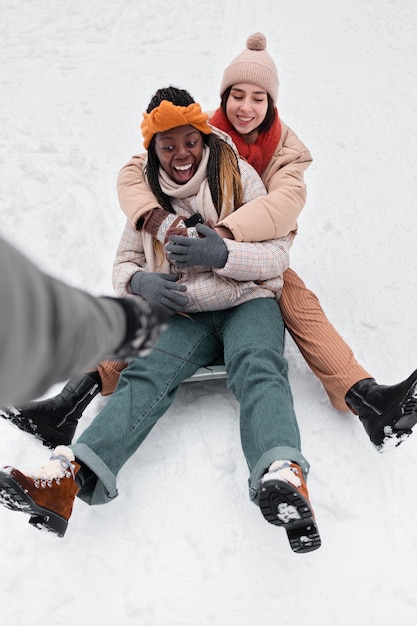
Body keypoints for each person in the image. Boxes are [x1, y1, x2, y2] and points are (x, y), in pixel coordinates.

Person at [2, 33, 417, 452]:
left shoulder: (288, 152)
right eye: (237, 95)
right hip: (189, 268)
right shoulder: (199, 131)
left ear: (272, 103)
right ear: (223, 97)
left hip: (253, 256)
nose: (246, 107)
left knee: (293, 295)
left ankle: (366, 398)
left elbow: (284, 205)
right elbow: (137, 170)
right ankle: (70, 403)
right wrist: (158, 224)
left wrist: (223, 239)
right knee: (145, 302)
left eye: (259, 98)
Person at [0, 87, 321, 554]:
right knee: (144, 374)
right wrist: (140, 284)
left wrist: (223, 251)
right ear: (153, 150)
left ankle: (282, 474)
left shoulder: (236, 176)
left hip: (247, 301)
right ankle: (68, 478)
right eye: (167, 146)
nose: (180, 155)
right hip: (186, 313)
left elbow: (278, 252)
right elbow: (123, 265)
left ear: (203, 137)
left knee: (259, 366)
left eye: (189, 142)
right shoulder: (147, 200)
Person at [0, 234, 168, 406]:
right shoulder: (143, 215)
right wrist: (136, 283)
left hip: (172, 316)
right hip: (137, 315)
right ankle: (64, 407)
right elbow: (53, 325)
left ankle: (63, 409)